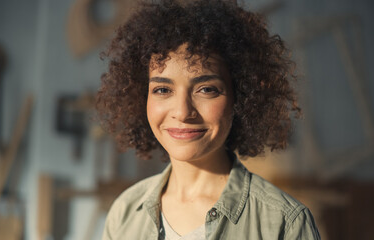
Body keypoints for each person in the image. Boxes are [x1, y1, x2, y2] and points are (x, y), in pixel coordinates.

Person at [97, 0, 320, 239]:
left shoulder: (284, 223)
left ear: (241, 97)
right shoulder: (125, 212)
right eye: (162, 90)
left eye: (206, 89)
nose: (182, 112)